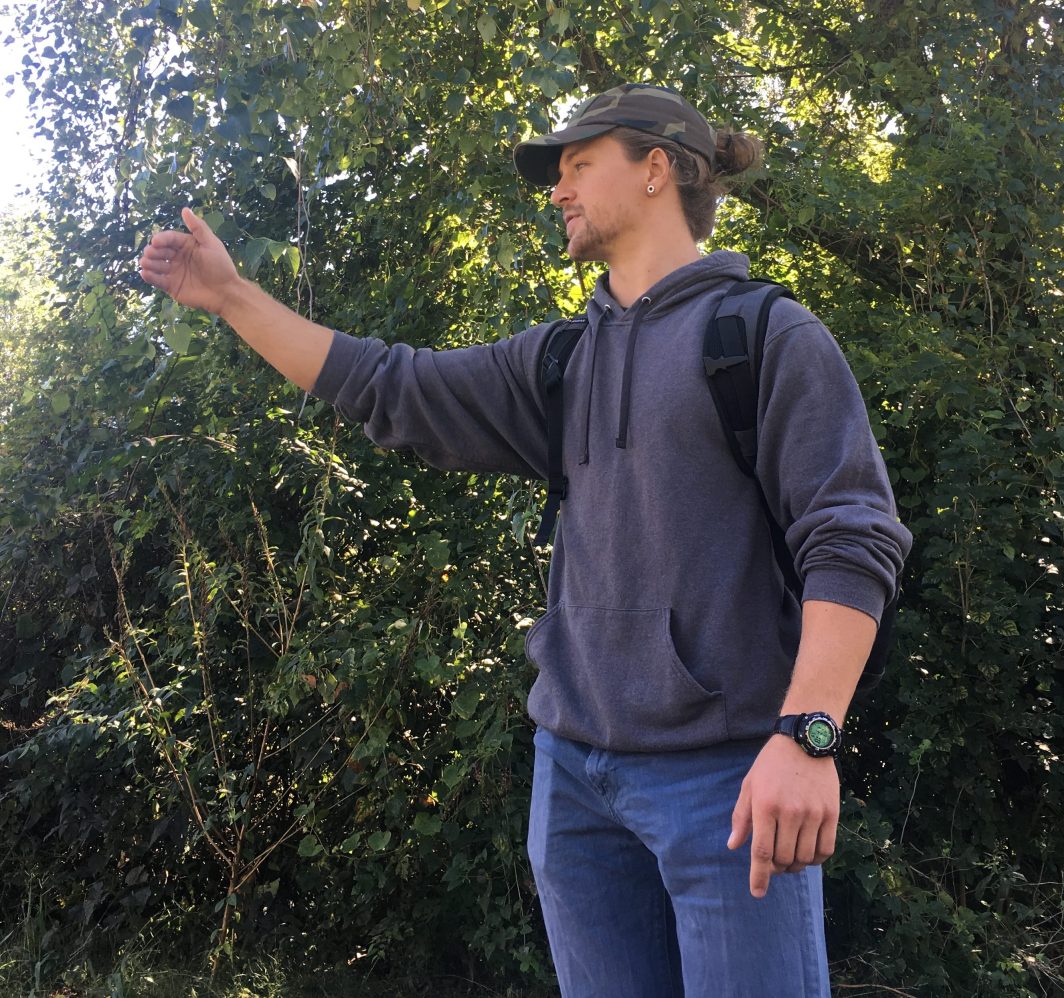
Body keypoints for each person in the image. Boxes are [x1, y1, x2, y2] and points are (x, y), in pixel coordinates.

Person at [139, 82, 911, 997]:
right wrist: (231, 297)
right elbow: (393, 385)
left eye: (580, 165)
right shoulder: (561, 359)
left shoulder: (767, 337)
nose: (557, 188)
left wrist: (808, 737)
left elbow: (854, 537)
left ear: (656, 169)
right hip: (575, 783)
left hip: (727, 785)